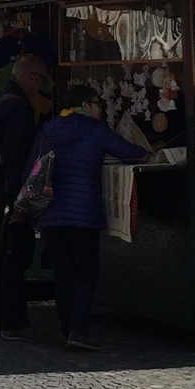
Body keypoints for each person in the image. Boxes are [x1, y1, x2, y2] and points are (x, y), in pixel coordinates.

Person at [27, 86, 147, 348]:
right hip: (83, 216)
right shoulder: (94, 129)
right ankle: (78, 331)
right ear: (85, 104)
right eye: (97, 102)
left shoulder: (49, 129)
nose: (100, 107)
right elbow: (128, 151)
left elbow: (33, 168)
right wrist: (150, 150)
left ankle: (66, 327)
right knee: (85, 273)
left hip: (52, 215)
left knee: (63, 274)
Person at [0, 53, 54, 339]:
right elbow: (19, 157)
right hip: (8, 193)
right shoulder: (18, 108)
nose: (42, 84)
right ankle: (10, 320)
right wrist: (20, 200)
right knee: (12, 255)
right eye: (40, 77)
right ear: (29, 76)